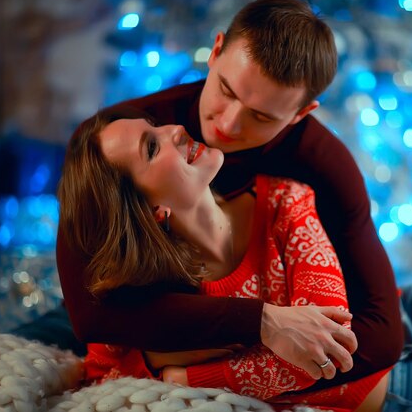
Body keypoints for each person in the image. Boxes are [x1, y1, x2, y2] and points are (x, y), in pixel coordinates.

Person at [54, 0, 404, 393]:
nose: (228, 125)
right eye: (226, 90)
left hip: (396, 334)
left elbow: (382, 337)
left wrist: (187, 373)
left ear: (300, 115)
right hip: (130, 312)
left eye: (262, 116)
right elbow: (92, 316)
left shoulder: (321, 164)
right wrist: (263, 322)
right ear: (216, 51)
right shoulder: (126, 132)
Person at [57, 109, 391, 412]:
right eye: (152, 148)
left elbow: (328, 347)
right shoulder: (140, 303)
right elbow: (103, 384)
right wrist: (154, 358)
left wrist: (179, 378)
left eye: (156, 127)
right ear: (152, 211)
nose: (175, 129)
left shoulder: (285, 202)